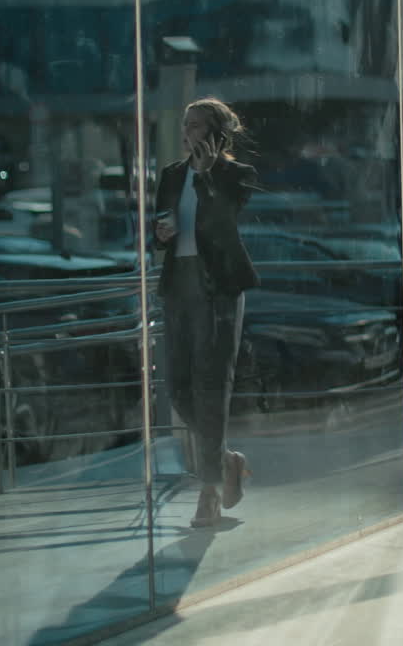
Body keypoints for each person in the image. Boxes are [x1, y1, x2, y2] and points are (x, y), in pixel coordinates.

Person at [153, 97, 259, 528]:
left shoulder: (236, 175)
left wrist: (210, 173)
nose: (187, 132)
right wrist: (161, 234)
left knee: (211, 388)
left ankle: (209, 491)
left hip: (218, 290)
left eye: (195, 125)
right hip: (180, 286)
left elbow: (221, 221)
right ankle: (227, 460)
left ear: (216, 132)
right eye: (185, 124)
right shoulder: (172, 176)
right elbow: (159, 232)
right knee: (179, 389)